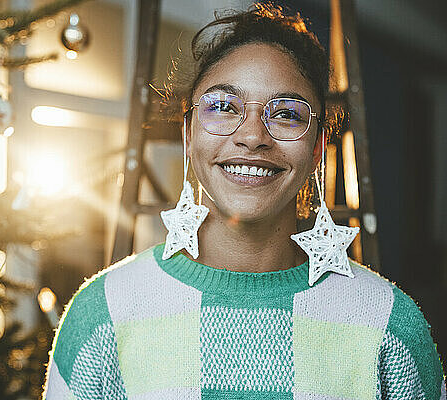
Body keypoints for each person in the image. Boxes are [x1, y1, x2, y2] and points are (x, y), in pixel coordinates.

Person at [42, 3, 446, 399]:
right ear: (188, 133)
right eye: (222, 106)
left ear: (319, 147)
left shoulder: (390, 324)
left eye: (287, 114)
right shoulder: (102, 314)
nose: (252, 136)